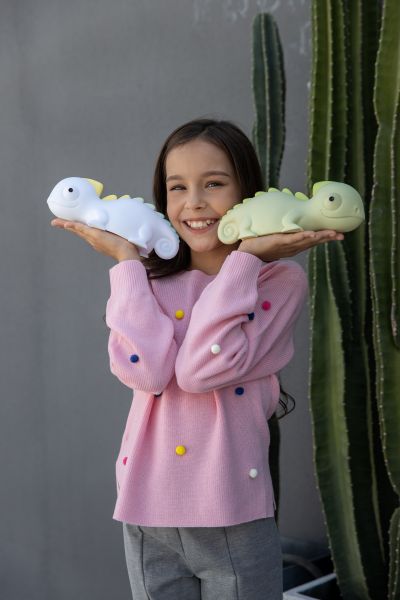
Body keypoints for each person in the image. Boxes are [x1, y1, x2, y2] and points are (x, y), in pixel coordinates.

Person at [50, 118, 344, 599]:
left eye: (214, 183)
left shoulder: (277, 282)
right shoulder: (144, 282)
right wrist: (127, 263)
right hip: (146, 507)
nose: (195, 202)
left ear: (246, 189)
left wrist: (246, 260)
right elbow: (146, 372)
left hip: (232, 508)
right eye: (178, 187)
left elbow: (199, 371)